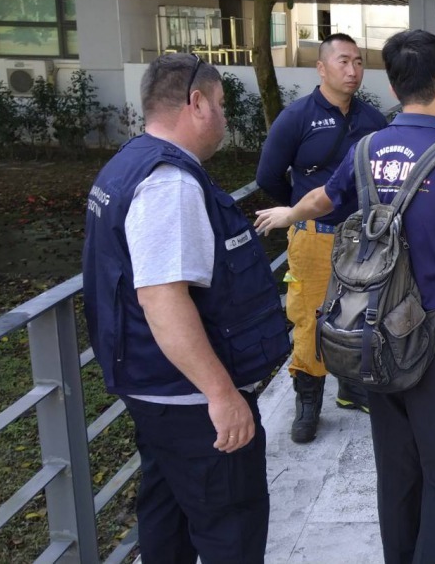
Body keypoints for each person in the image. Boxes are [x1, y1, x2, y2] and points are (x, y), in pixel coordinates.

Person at [254, 29, 435, 563]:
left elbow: (325, 198)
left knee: (397, 474)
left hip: (376, 338)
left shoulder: (366, 148)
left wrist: (289, 213)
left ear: (395, 86)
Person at [82, 53, 291, 562]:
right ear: (196, 103)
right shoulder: (169, 183)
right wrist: (221, 396)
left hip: (157, 396)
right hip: (194, 405)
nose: (224, 117)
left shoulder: (129, 162)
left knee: (166, 521)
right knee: (230, 533)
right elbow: (162, 299)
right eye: (220, 104)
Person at [256, 32, 388, 443]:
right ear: (322, 67)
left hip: (362, 239)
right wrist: (299, 212)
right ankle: (308, 398)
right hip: (314, 236)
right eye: (343, 61)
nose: (353, 71)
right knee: (310, 316)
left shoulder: (371, 119)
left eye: (359, 62)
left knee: (360, 314)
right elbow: (268, 176)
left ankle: (351, 387)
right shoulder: (296, 117)